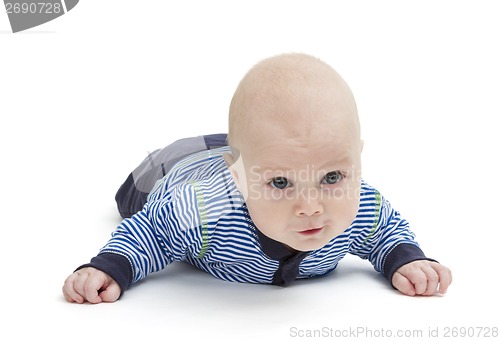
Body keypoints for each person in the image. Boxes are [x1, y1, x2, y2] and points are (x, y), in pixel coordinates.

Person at [62, 53, 452, 304]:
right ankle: (234, 154)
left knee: (266, 147)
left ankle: (257, 153)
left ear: (358, 160)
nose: (312, 206)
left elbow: (388, 233)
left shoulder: (360, 205)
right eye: (282, 184)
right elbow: (146, 233)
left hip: (249, 155)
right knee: (131, 198)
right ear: (238, 179)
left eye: (332, 176)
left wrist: (407, 260)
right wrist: (110, 267)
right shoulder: (197, 211)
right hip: (178, 168)